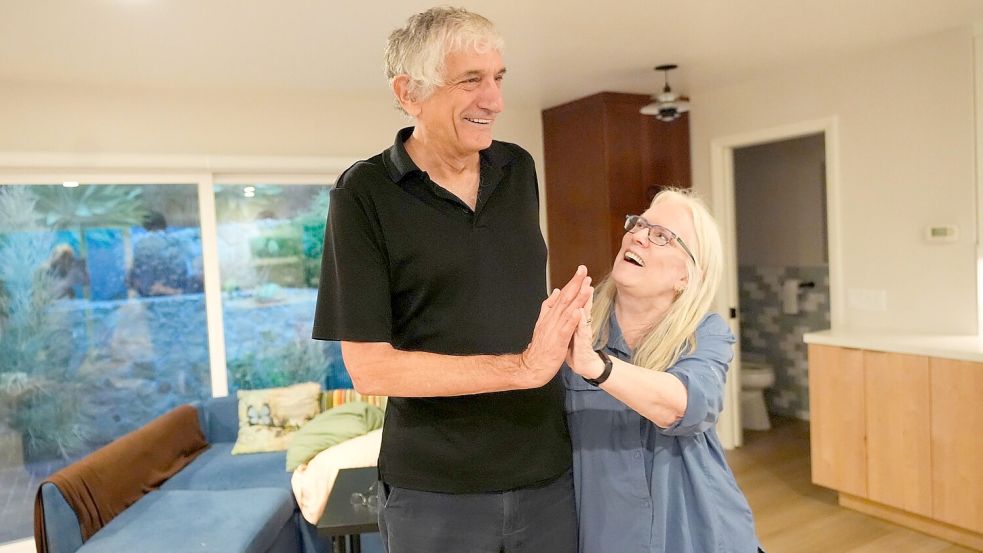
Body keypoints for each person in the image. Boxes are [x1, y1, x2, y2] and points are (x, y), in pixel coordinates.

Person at [313, 7, 589, 553]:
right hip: (436, 491)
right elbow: (368, 367)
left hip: (548, 474)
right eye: (471, 81)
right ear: (409, 92)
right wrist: (521, 369)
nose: (495, 101)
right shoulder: (363, 194)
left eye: (498, 78)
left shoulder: (518, 169)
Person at [563, 188, 763, 553]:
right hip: (606, 533)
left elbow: (684, 404)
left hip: (696, 532)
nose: (638, 235)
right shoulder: (574, 325)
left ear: (686, 277)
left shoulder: (706, 333)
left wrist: (597, 367)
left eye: (662, 237)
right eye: (640, 225)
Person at [127, 211, 195, 297]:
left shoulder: (139, 245)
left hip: (154, 297)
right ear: (165, 226)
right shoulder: (177, 242)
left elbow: (134, 280)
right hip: (175, 297)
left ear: (145, 227)